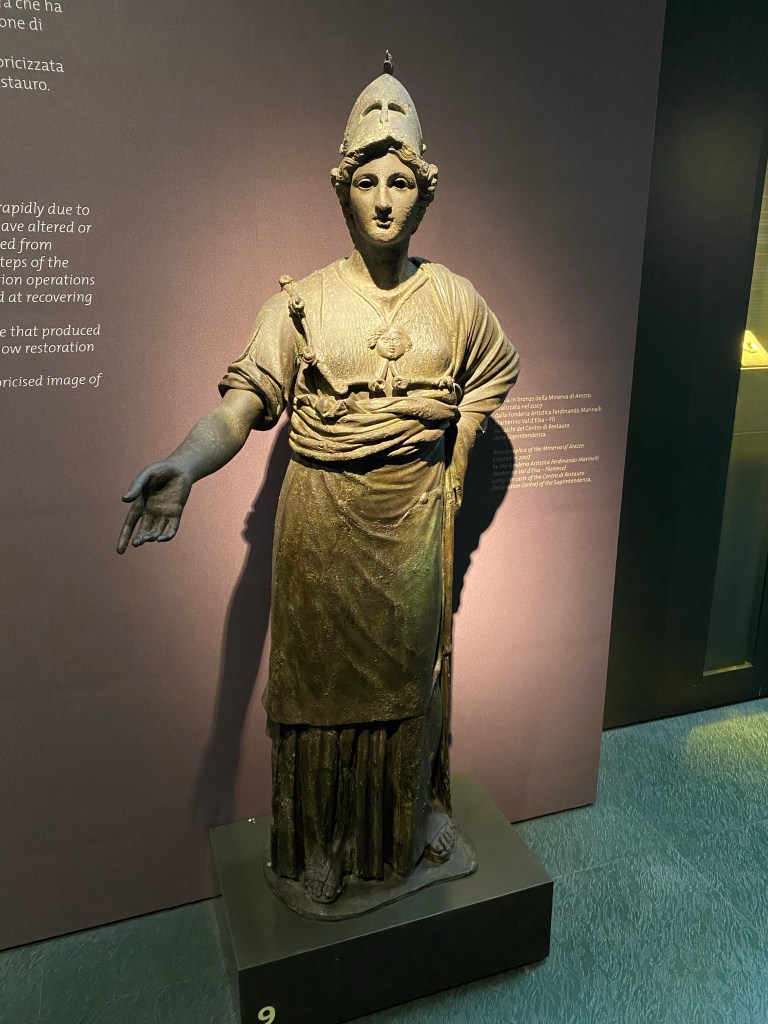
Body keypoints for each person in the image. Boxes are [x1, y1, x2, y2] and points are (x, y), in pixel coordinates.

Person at [118, 57, 519, 914]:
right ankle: (322, 849)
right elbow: (240, 407)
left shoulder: (454, 300)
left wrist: (457, 455)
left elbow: (495, 370)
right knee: (315, 697)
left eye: (400, 182)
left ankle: (395, 840)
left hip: (411, 528)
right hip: (322, 527)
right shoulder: (298, 304)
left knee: (409, 687)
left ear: (423, 194)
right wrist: (185, 464)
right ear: (343, 193)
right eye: (367, 182)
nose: (384, 200)